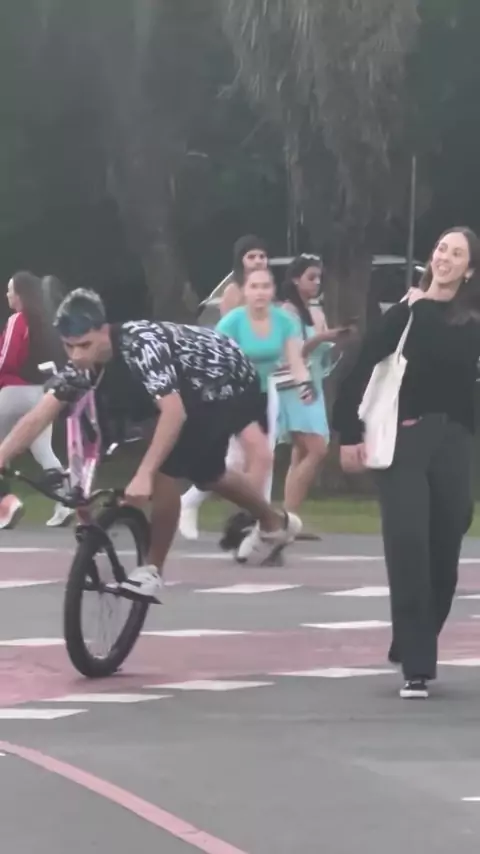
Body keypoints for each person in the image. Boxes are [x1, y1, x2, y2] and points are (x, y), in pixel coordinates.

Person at [0, 288, 305, 601]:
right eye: (69, 346)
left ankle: (151, 571)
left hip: (227, 380)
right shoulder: (81, 366)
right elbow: (37, 417)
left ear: (104, 330)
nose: (77, 356)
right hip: (190, 388)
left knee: (164, 470)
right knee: (208, 474)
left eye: (85, 345)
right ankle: (275, 523)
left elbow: (174, 413)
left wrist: (145, 473)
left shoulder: (140, 345)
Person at [332, 226, 480, 700]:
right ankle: (417, 665)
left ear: (470, 270)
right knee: (409, 545)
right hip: (405, 442)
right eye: (441, 249)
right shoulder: (406, 314)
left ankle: (413, 638)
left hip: (455, 443)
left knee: (445, 554)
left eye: (457, 253)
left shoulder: (471, 322)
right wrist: (347, 433)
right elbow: (358, 369)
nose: (445, 258)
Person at [179, 234, 270, 539]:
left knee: (246, 458)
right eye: (251, 256)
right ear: (240, 261)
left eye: (261, 256)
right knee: (246, 456)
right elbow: (227, 340)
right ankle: (243, 517)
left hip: (265, 384)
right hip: (237, 384)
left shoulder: (268, 293)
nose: (257, 261)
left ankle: (251, 518)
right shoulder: (233, 291)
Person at [277, 255, 351, 514]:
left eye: (319, 277)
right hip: (296, 386)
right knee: (317, 449)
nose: (317, 282)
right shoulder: (287, 312)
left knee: (301, 452)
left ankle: (289, 515)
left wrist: (336, 340)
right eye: (311, 277)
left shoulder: (317, 312)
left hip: (314, 383)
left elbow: (323, 352)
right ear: (296, 279)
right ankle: (286, 515)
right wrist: (322, 337)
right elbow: (296, 351)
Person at [0, 271, 72, 529]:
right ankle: (66, 501)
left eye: (10, 290)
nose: (7, 294)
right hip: (43, 394)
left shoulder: (18, 319)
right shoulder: (46, 323)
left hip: (14, 393)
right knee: (43, 451)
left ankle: (6, 504)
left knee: (2, 449)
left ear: (20, 294)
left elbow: (7, 358)